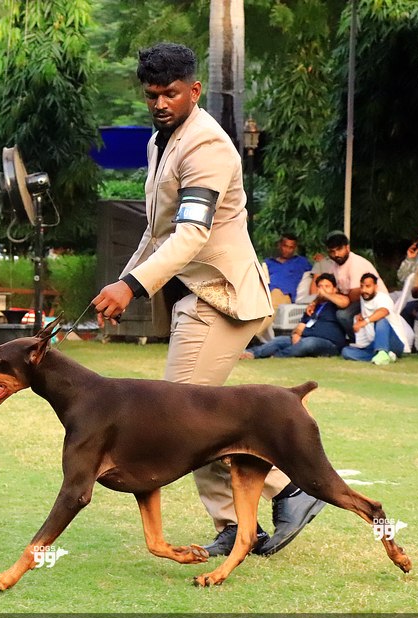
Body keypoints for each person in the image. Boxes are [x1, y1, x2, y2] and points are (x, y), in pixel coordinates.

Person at [91, 43, 324, 558]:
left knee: (181, 421)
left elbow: (192, 233)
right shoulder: (160, 142)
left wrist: (131, 286)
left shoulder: (208, 147)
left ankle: (289, 489)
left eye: (170, 93)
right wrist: (124, 283)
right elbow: (156, 233)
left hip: (220, 297)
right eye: (152, 94)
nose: (159, 103)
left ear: (194, 90)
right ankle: (248, 519)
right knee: (191, 419)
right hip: (193, 297)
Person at [242, 273, 348, 359]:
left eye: (327, 286)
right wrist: (296, 334)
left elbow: (344, 302)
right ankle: (250, 353)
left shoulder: (336, 302)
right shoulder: (313, 307)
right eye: (320, 286)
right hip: (305, 338)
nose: (322, 289)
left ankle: (277, 356)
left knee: (308, 343)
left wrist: (324, 294)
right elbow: (300, 326)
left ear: (335, 289)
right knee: (278, 340)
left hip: (329, 343)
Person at [313, 231, 388, 337]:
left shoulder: (356, 263)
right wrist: (314, 303)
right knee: (328, 307)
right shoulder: (335, 266)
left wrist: (338, 298)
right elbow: (329, 288)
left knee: (343, 315)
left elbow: (355, 295)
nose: (336, 254)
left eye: (339, 249)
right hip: (358, 300)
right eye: (332, 252)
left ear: (347, 248)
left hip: (374, 301)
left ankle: (358, 340)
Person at [340, 273, 409, 365]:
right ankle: (385, 356)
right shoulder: (364, 298)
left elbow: (383, 311)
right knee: (346, 351)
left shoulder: (383, 298)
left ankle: (383, 352)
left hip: (393, 343)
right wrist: (360, 317)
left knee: (381, 320)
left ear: (375, 287)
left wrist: (365, 321)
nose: (364, 290)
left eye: (368, 286)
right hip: (373, 343)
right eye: (362, 286)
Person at [264, 233, 312, 305]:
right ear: (280, 245)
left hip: (285, 296)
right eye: (285, 246)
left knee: (276, 296)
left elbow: (316, 274)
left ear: (295, 248)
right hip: (266, 296)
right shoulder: (268, 262)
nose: (287, 250)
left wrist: (320, 261)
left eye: (291, 247)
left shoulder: (301, 262)